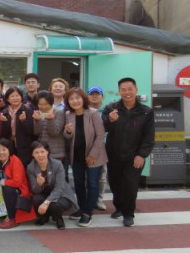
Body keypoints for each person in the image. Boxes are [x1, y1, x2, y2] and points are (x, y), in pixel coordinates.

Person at [102, 77, 155, 227]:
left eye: (130, 89)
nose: (127, 93)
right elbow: (102, 128)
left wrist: (142, 155)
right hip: (113, 154)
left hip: (134, 155)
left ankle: (128, 213)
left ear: (136, 90)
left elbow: (149, 136)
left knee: (131, 185)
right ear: (119, 92)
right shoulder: (111, 108)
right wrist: (110, 121)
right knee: (115, 183)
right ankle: (119, 207)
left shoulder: (146, 112)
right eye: (123, 90)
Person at [63, 87, 108, 227]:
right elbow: (67, 137)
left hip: (94, 155)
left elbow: (100, 135)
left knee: (92, 184)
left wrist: (93, 154)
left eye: (77, 98)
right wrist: (67, 131)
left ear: (83, 99)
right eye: (71, 99)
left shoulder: (93, 113)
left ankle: (88, 213)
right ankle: (82, 208)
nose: (75, 101)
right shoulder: (68, 114)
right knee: (78, 183)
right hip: (77, 155)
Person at [26, 141, 78, 230]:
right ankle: (44, 216)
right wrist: (39, 184)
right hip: (44, 193)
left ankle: (58, 218)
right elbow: (35, 190)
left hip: (61, 194)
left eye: (42, 151)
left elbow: (59, 188)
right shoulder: (31, 167)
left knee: (55, 205)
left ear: (47, 152)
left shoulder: (57, 164)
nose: (40, 155)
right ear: (32, 154)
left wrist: (46, 202)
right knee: (35, 199)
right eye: (36, 152)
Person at [0, 138, 36, 229]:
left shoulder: (15, 161)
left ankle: (12, 218)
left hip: (18, 190)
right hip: (3, 189)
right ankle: (3, 214)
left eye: (4, 149)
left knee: (8, 189)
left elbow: (17, 182)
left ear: (9, 150)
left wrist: (2, 182)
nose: (1, 152)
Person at [0, 86, 35, 167]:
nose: (15, 98)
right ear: (8, 99)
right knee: (10, 166)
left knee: (23, 166)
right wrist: (4, 122)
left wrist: (23, 121)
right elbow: (3, 134)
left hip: (24, 145)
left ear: (21, 97)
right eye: (12, 96)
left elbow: (30, 131)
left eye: (17, 95)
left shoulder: (27, 110)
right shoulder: (4, 112)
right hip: (10, 145)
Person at [32, 91, 66, 166]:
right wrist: (37, 121)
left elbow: (54, 132)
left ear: (51, 102)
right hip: (42, 152)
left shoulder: (58, 112)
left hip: (56, 152)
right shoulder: (37, 113)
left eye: (46, 104)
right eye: (40, 104)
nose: (43, 107)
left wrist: (51, 120)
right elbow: (36, 132)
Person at [87, 85, 107, 210]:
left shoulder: (107, 111)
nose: (94, 96)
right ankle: (89, 199)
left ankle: (99, 199)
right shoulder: (84, 111)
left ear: (102, 97)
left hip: (103, 147)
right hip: (88, 147)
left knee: (102, 176)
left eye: (97, 94)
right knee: (88, 176)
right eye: (91, 94)